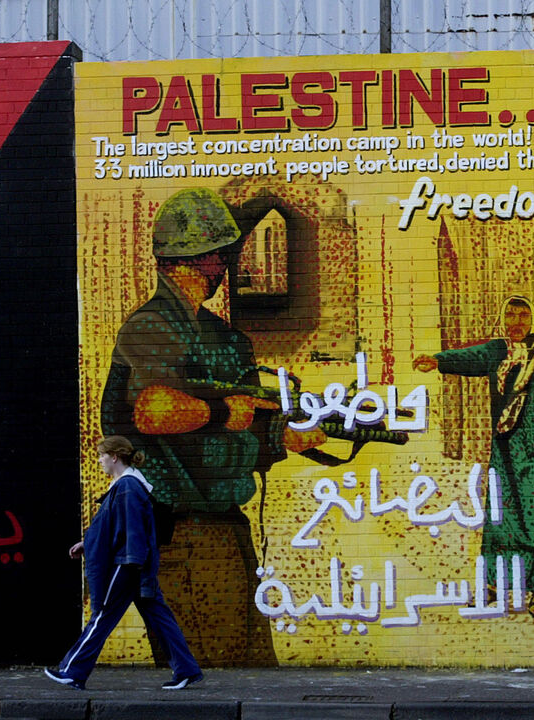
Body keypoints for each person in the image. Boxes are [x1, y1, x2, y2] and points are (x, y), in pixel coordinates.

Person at [100, 187, 323, 666]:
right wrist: (223, 411)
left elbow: (238, 437)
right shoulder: (152, 326)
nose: (225, 265)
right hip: (183, 534)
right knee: (215, 671)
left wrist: (284, 438)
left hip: (223, 528)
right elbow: (153, 411)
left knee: (249, 666)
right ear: (206, 259)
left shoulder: (222, 338)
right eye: (221, 254)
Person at [414, 295, 534, 618]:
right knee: (500, 518)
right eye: (511, 315)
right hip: (505, 450)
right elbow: (470, 358)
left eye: (523, 316)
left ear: (533, 319)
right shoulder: (497, 351)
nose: (517, 322)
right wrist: (438, 360)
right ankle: (492, 585)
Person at [44, 435, 202, 690]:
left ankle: (73, 672)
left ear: (114, 456)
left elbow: (133, 530)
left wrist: (131, 565)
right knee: (158, 616)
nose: (99, 461)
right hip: (134, 563)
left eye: (102, 456)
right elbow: (117, 525)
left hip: (127, 564)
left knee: (103, 614)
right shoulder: (127, 485)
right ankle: (187, 670)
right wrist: (88, 543)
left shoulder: (128, 486)